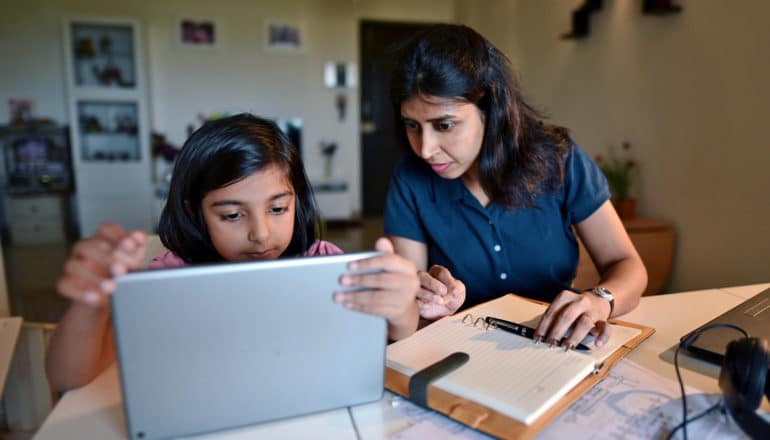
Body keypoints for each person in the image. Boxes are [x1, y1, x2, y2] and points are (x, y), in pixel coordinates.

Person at [47, 114, 420, 392]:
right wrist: (91, 305)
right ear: (196, 211)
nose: (260, 234)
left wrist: (402, 310)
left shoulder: (323, 263)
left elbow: (397, 345)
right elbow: (68, 377)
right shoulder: (168, 279)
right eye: (232, 215)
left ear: (297, 202)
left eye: (278, 209)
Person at [384, 24, 647, 350]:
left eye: (445, 125)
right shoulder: (410, 178)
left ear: (490, 109)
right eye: (412, 125)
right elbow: (410, 315)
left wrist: (600, 300)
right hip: (459, 352)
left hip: (557, 346)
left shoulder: (558, 159)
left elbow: (628, 266)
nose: (425, 149)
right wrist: (428, 301)